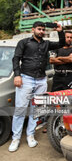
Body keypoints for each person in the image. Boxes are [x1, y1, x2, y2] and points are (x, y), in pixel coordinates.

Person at [9, 21, 65, 152]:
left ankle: (30, 135)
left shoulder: (46, 44)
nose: (41, 31)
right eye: (39, 29)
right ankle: (16, 138)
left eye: (43, 30)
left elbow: (61, 44)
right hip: (25, 79)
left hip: (41, 80)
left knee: (36, 109)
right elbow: (16, 58)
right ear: (33, 29)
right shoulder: (24, 42)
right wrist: (17, 75)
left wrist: (60, 31)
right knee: (20, 109)